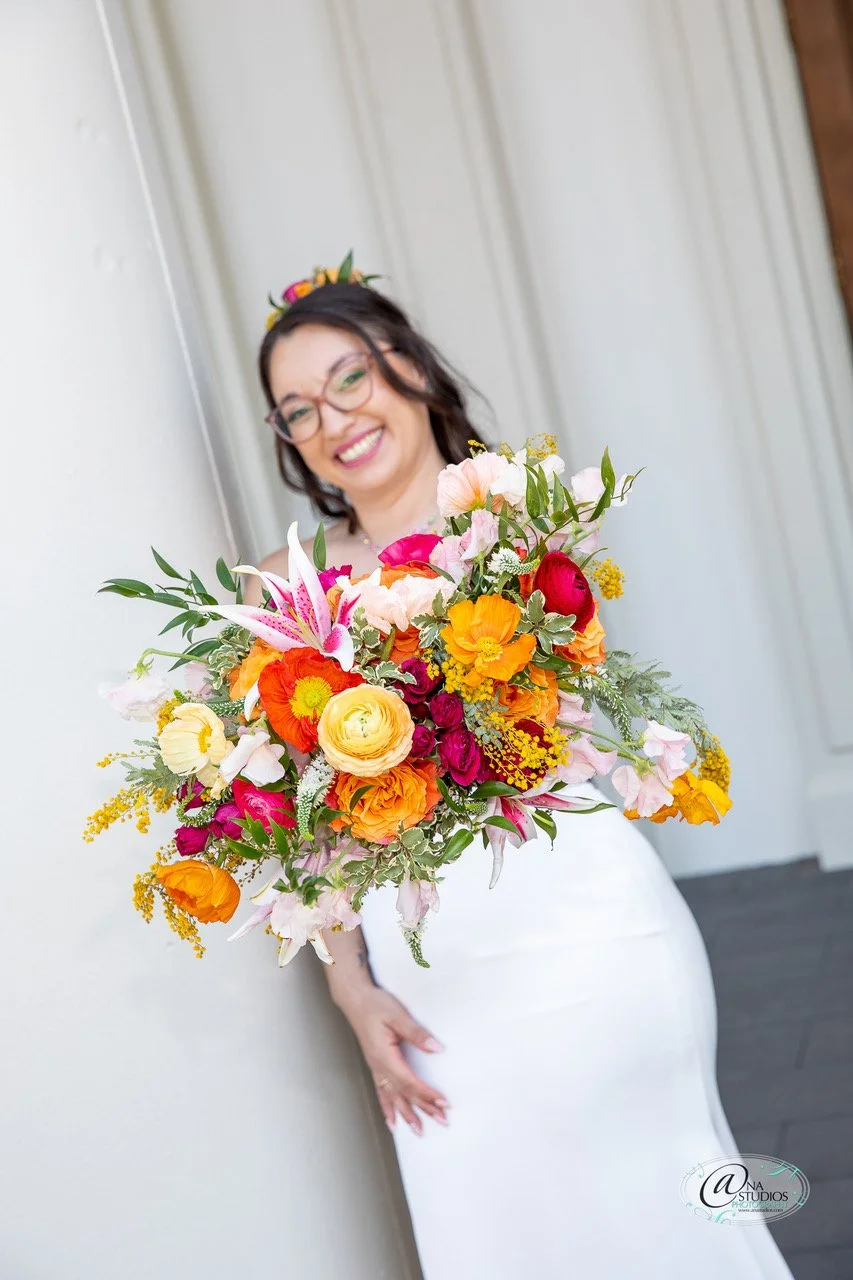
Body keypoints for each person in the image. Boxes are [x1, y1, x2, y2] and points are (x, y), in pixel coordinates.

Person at [245, 267, 795, 1279]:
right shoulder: (286, 596)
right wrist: (351, 992)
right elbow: (298, 824)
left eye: (349, 379)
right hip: (437, 992)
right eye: (299, 411)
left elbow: (551, 727)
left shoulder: (519, 519)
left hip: (589, 946)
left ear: (405, 366)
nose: (333, 420)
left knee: (661, 1233)